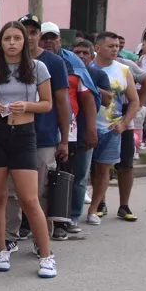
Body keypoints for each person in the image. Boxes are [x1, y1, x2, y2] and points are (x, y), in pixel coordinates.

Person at [0, 21, 56, 278]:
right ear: (0, 42)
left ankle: (46, 255)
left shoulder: (37, 67)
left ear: (25, 41)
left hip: (24, 134)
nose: (11, 43)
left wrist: (27, 106)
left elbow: (46, 104)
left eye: (16, 38)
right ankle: (1, 249)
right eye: (7, 38)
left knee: (29, 198)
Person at [5, 16, 70, 245]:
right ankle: (10, 236)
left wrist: (64, 139)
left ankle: (41, 239)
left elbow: (62, 101)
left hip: (43, 136)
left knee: (40, 191)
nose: (30, 36)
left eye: (34, 32)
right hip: (12, 135)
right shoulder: (6, 62)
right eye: (25, 32)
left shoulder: (52, 62)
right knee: (11, 191)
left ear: (39, 35)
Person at [84, 32, 141, 225]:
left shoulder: (124, 70)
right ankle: (100, 205)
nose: (115, 49)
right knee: (92, 169)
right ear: (97, 48)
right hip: (90, 127)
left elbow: (134, 101)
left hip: (113, 128)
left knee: (110, 167)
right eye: (110, 46)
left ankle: (123, 205)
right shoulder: (87, 68)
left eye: (117, 46)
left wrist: (125, 123)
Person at [59, 40, 101, 237]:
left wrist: (91, 129)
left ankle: (72, 216)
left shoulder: (80, 71)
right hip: (51, 132)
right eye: (78, 52)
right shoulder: (42, 64)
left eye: (86, 52)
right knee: (53, 178)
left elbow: (89, 100)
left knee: (78, 176)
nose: (82, 56)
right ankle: (54, 219)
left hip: (78, 132)